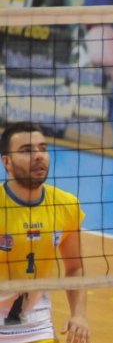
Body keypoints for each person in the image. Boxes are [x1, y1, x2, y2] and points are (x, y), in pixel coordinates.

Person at [1, 121, 90, 343]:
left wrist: (79, 315)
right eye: (26, 150)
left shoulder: (66, 205)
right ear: (6, 162)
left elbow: (75, 268)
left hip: (36, 325)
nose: (38, 156)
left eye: (43, 148)